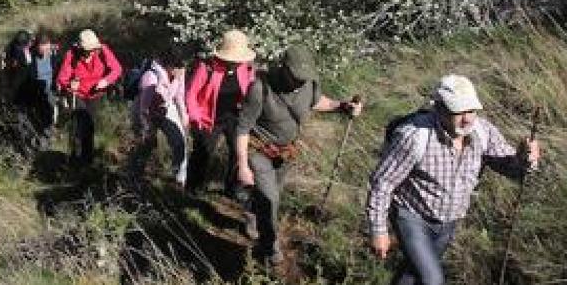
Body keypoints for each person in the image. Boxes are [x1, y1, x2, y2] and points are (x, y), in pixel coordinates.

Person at [366, 74, 541, 285]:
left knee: (412, 276)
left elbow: (512, 169)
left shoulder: (482, 132)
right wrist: (379, 231)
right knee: (432, 280)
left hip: (448, 223)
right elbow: (382, 183)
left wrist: (525, 159)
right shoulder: (414, 136)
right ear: (439, 108)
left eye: (471, 111)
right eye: (458, 111)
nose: (467, 119)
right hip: (411, 217)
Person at [235, 45, 362, 265]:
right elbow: (243, 129)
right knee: (270, 199)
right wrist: (243, 165)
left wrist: (342, 106)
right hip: (259, 151)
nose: (300, 82)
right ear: (283, 68)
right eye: (296, 77)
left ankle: (251, 211)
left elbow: (317, 101)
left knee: (272, 197)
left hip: (286, 154)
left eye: (304, 78)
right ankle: (269, 250)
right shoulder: (260, 88)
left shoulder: (309, 85)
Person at [185, 29, 257, 196]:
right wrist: (195, 117)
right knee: (203, 151)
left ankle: (232, 189)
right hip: (209, 117)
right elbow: (191, 94)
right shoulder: (207, 67)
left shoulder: (247, 69)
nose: (237, 62)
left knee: (237, 151)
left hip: (234, 117)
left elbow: (251, 93)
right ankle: (194, 188)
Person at [56, 29, 122, 167]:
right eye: (89, 49)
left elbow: (117, 69)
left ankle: (87, 160)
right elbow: (62, 78)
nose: (92, 52)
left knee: (90, 127)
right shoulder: (71, 55)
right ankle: (73, 159)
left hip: (96, 95)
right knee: (78, 126)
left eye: (93, 49)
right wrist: (70, 84)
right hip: (78, 94)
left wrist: (106, 81)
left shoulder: (103, 51)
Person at [129, 49, 190, 187]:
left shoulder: (180, 73)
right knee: (146, 143)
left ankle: (179, 179)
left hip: (166, 108)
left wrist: (183, 115)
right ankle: (134, 175)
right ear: (167, 65)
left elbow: (179, 95)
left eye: (181, 67)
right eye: (176, 67)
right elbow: (144, 107)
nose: (180, 71)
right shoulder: (151, 77)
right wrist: (147, 128)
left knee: (179, 141)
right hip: (145, 110)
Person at [28, 30, 60, 147]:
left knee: (50, 114)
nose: (46, 52)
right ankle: (42, 140)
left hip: (50, 90)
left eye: (48, 48)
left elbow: (57, 70)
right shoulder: (30, 58)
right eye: (43, 49)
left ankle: (48, 133)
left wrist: (59, 85)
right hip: (36, 91)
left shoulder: (53, 55)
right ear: (36, 47)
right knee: (40, 116)